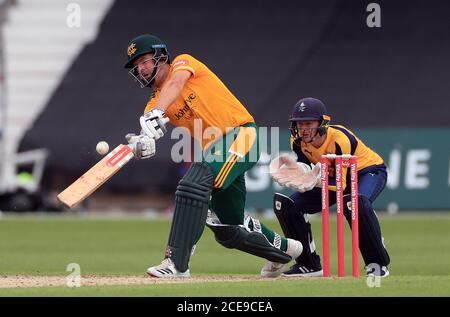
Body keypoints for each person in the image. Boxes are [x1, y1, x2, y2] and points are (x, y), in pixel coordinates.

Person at [123, 34, 302, 278]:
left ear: (161, 56)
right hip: (217, 153)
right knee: (228, 228)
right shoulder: (153, 103)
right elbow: (153, 127)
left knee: (191, 184)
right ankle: (285, 250)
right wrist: (144, 142)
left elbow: (174, 86)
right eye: (136, 66)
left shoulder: (183, 64)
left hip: (241, 136)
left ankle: (175, 264)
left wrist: (156, 113)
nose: (141, 69)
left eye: (144, 61)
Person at [265, 97, 390, 278]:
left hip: (365, 172)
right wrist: (301, 172)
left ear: (322, 123)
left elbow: (343, 186)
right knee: (286, 204)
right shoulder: (297, 140)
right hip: (332, 178)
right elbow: (307, 165)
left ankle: (377, 264)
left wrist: (315, 182)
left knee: (355, 203)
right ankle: (308, 264)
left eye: (308, 123)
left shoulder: (340, 139)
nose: (303, 128)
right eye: (299, 124)